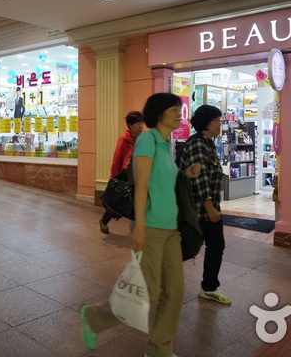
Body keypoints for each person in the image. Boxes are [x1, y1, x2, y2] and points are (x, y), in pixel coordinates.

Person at [80, 93, 201, 357]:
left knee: (176, 292)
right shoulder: (148, 139)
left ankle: (159, 350)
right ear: (159, 113)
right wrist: (140, 228)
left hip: (170, 229)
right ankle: (94, 319)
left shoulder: (166, 143)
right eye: (174, 109)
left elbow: (162, 179)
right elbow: (142, 185)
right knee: (146, 295)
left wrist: (184, 173)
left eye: (179, 109)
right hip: (152, 228)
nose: (179, 114)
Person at [179, 104, 231, 305]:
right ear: (207, 123)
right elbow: (197, 177)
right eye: (217, 120)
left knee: (209, 245)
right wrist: (209, 206)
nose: (220, 124)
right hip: (200, 208)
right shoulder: (198, 144)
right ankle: (152, 269)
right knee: (191, 247)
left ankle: (209, 287)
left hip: (206, 207)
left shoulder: (207, 143)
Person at [99, 110, 144, 234]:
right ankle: (103, 221)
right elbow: (117, 159)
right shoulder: (123, 140)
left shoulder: (144, 139)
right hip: (125, 176)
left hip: (139, 177)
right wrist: (113, 178)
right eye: (137, 124)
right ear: (130, 125)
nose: (140, 127)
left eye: (142, 124)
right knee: (117, 205)